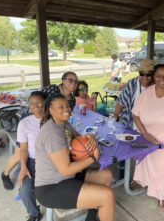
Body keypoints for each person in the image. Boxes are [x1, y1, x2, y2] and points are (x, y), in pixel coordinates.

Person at [35, 94, 115, 221]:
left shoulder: (64, 124)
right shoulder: (52, 133)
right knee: (107, 196)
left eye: (67, 105)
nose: (66, 109)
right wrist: (93, 158)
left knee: (106, 176)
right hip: (52, 187)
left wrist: (91, 137)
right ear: (51, 110)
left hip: (67, 178)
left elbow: (79, 139)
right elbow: (66, 170)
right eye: (60, 107)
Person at [131, 64, 164, 211]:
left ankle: (161, 194)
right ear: (154, 77)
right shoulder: (146, 93)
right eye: (158, 75)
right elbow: (135, 114)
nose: (162, 79)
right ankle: (147, 184)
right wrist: (145, 134)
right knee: (150, 164)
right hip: (150, 136)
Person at [17, 91, 47, 221]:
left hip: (52, 161)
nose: (34, 106)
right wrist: (23, 167)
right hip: (31, 161)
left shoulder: (53, 119)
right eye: (31, 103)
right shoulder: (24, 123)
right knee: (24, 189)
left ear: (45, 103)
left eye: (38, 102)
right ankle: (34, 213)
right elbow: (23, 149)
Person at [113, 59, 155, 128]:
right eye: (142, 74)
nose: (145, 77)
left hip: (149, 127)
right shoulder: (132, 84)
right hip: (130, 124)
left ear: (153, 74)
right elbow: (121, 101)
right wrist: (116, 115)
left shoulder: (157, 86)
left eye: (149, 74)